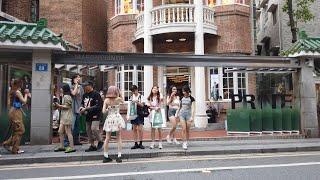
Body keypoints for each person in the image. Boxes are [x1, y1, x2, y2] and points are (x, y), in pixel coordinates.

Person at [3, 79, 30, 154]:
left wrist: (21, 111)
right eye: (21, 84)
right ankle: (10, 146)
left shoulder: (12, 91)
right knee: (20, 130)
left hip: (14, 111)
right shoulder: (17, 92)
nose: (22, 85)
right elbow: (24, 101)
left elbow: (14, 103)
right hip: (15, 112)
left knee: (17, 130)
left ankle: (13, 147)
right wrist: (26, 94)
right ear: (19, 85)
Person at [102, 86, 126, 163]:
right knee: (118, 138)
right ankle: (119, 156)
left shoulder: (106, 100)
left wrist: (108, 109)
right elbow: (124, 102)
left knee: (107, 138)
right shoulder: (118, 99)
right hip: (117, 118)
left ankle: (105, 156)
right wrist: (120, 93)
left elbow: (103, 112)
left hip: (109, 119)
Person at [79, 81, 104, 152]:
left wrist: (86, 109)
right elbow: (82, 103)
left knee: (94, 128)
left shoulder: (96, 94)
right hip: (87, 115)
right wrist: (81, 108)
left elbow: (98, 106)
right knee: (88, 130)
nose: (84, 87)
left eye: (85, 86)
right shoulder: (84, 95)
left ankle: (100, 141)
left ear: (90, 86)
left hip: (96, 114)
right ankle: (92, 145)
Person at [54, 84, 76, 153]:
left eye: (61, 88)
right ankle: (62, 146)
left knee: (68, 132)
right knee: (60, 131)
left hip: (67, 116)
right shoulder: (64, 96)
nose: (60, 89)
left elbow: (67, 106)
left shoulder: (67, 96)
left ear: (64, 89)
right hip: (64, 116)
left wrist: (58, 105)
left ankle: (72, 147)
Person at [176, 85, 195, 150]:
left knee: (187, 130)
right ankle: (184, 142)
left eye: (184, 91)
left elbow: (193, 108)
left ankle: (186, 141)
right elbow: (179, 107)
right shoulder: (181, 98)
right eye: (182, 91)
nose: (183, 92)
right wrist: (177, 113)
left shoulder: (192, 99)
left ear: (187, 91)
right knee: (183, 129)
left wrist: (192, 117)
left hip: (188, 115)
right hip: (182, 114)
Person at [128, 85, 145, 150]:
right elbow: (130, 105)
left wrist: (136, 102)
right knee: (134, 129)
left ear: (137, 89)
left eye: (134, 90)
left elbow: (142, 105)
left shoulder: (141, 96)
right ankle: (135, 143)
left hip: (140, 114)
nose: (134, 92)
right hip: (133, 113)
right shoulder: (131, 96)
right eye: (132, 91)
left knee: (140, 129)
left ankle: (140, 143)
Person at [70, 74, 84, 145]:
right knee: (71, 126)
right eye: (77, 77)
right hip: (72, 109)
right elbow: (74, 93)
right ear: (74, 79)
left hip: (79, 108)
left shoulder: (81, 87)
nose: (79, 78)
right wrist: (76, 85)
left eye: (79, 77)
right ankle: (68, 141)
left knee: (77, 126)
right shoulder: (71, 86)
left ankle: (76, 141)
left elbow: (81, 97)